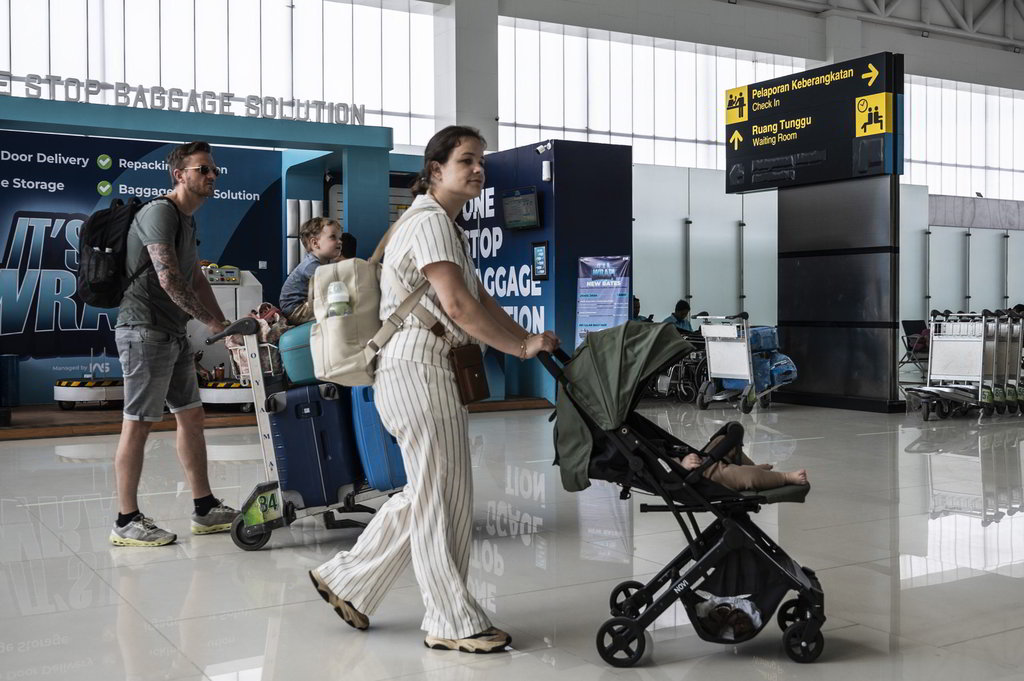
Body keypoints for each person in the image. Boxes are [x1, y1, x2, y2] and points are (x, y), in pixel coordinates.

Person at [309, 125, 558, 654]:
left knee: (432, 490)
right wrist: (518, 351)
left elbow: (483, 302)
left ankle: (348, 578)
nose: (477, 170)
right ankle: (448, 617)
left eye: (481, 162)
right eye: (466, 160)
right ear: (435, 170)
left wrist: (528, 338)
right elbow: (459, 307)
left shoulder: (444, 227)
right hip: (416, 367)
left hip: (421, 368)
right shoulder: (429, 223)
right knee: (441, 496)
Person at [110, 141, 239, 547]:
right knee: (139, 423)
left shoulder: (188, 220)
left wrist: (224, 327)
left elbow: (196, 278)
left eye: (214, 170)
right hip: (143, 330)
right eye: (203, 169)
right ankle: (125, 520)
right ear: (179, 175)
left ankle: (204, 508)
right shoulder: (159, 212)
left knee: (191, 416)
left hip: (172, 331)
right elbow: (168, 279)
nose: (211, 175)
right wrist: (213, 321)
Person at [279, 217, 347, 324]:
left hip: (301, 305)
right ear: (315, 243)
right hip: (295, 309)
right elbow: (331, 285)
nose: (340, 241)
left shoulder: (324, 262)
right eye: (333, 237)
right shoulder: (311, 265)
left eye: (340, 237)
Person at [677, 439, 807, 491]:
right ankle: (785, 477)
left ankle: (753, 468)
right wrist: (682, 467)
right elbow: (666, 471)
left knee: (724, 442)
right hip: (697, 476)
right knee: (744, 476)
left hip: (697, 460)